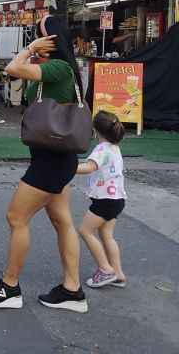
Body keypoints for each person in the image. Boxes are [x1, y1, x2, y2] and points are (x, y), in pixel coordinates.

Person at [0, 13, 88, 313]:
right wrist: (35, 54)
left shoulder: (59, 68)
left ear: (51, 40)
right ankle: (72, 290)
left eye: (38, 34)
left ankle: (10, 287)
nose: (33, 40)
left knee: (17, 217)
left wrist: (29, 50)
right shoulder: (56, 68)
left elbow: (13, 68)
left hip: (51, 161)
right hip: (55, 158)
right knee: (62, 220)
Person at [76, 111, 128, 289]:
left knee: (85, 231)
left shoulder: (101, 149)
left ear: (95, 130)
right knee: (107, 235)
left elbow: (90, 167)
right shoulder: (115, 148)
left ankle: (105, 269)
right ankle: (118, 274)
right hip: (117, 199)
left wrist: (68, 168)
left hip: (104, 200)